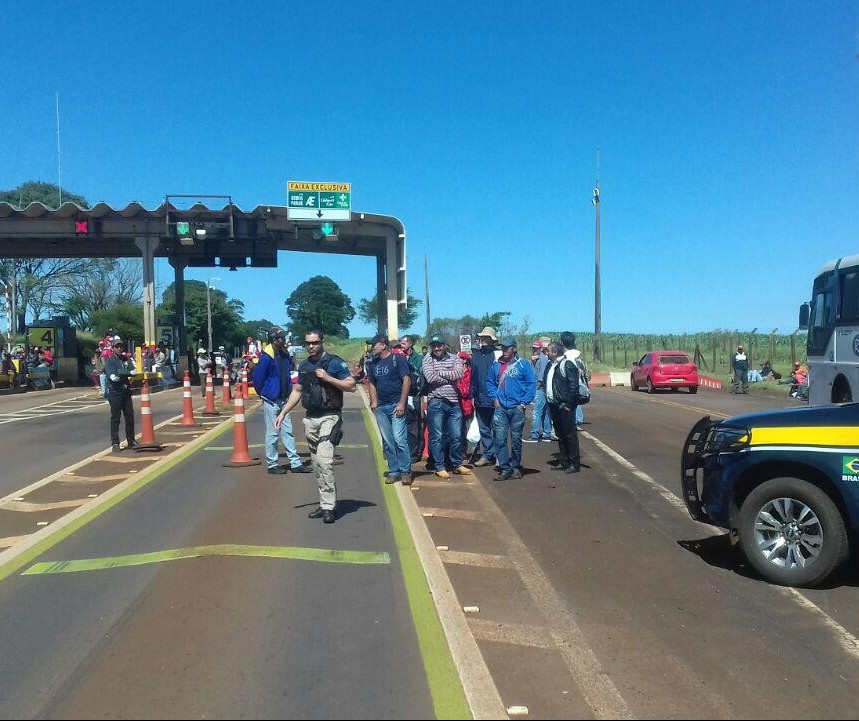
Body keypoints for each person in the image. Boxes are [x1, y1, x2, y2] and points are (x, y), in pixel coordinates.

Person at [275, 329, 356, 524]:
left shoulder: (335, 362)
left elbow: (351, 385)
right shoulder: (304, 365)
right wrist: (284, 412)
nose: (311, 346)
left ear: (322, 342)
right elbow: (297, 390)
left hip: (330, 417)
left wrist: (329, 378)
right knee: (317, 465)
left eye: (315, 342)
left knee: (325, 461)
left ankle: (329, 507)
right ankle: (325, 503)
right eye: (308, 343)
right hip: (311, 418)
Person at [253, 326, 311, 475]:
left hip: (284, 399)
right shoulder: (266, 356)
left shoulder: (284, 354)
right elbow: (257, 379)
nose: (284, 340)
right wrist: (265, 394)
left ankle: (295, 463)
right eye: (281, 338)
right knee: (272, 433)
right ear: (274, 340)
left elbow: (289, 371)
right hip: (272, 400)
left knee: (288, 431)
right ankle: (272, 464)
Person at [366, 333, 413, 486]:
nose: (372, 348)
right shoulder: (372, 364)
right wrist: (374, 401)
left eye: (374, 345)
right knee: (388, 441)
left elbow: (406, 380)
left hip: (395, 405)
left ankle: (405, 471)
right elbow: (372, 383)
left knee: (400, 439)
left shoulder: (397, 360)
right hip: (381, 407)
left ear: (383, 344)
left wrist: (401, 403)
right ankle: (393, 471)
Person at [487, 337, 536, 481]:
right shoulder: (496, 364)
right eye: (502, 347)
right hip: (501, 407)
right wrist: (495, 399)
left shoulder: (523, 364)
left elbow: (530, 384)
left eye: (507, 348)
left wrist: (523, 403)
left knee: (515, 439)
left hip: (517, 408)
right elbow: (490, 382)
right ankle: (504, 468)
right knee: (500, 439)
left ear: (514, 348)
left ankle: (515, 467)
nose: (504, 350)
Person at [421, 335, 471, 479]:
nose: (437, 348)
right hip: (436, 402)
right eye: (434, 345)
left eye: (439, 345)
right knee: (437, 436)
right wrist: (450, 376)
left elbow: (459, 373)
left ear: (444, 345)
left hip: (454, 402)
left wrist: (440, 373)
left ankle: (457, 464)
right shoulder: (428, 359)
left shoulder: (454, 358)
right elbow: (430, 377)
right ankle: (439, 466)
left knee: (456, 435)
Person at [544, 340, 582, 473]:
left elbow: (574, 387)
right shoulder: (551, 365)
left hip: (564, 405)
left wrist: (569, 405)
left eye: (548, 351)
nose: (546, 353)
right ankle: (564, 460)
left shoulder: (567, 364)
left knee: (569, 435)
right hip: (554, 405)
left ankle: (574, 463)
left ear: (555, 352)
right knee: (560, 434)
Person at [470, 326, 500, 467]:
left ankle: (500, 455)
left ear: (492, 340)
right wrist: (472, 394)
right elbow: (473, 376)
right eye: (482, 337)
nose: (483, 340)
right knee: (484, 428)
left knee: (497, 427)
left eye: (486, 338)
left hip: (494, 397)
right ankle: (488, 454)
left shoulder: (498, 355)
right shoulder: (475, 355)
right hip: (479, 397)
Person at [104, 337, 139, 452]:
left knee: (129, 416)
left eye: (120, 346)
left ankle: (131, 440)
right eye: (117, 346)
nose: (119, 348)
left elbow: (133, 370)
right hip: (115, 393)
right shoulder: (110, 361)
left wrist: (123, 372)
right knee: (115, 418)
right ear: (113, 348)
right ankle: (115, 443)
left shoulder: (125, 359)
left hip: (126, 392)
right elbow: (113, 377)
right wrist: (126, 372)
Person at [397, 334, 425, 463]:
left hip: (414, 395)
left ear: (410, 344)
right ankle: (404, 451)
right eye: (400, 343)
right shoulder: (397, 357)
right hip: (400, 395)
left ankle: (415, 453)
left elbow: (420, 374)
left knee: (414, 425)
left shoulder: (419, 358)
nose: (401, 345)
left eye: (403, 343)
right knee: (401, 425)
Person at [525, 340, 552, 442]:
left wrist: (535, 389)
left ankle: (535, 435)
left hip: (540, 389)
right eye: (533, 348)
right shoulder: (535, 359)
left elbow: (540, 377)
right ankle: (547, 434)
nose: (534, 350)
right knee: (544, 412)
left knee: (537, 412)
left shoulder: (543, 360)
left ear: (540, 349)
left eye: (536, 348)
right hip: (539, 388)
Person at [560, 331, 588, 428]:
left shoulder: (565, 359)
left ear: (562, 343)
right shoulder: (578, 358)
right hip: (577, 391)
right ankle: (577, 420)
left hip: (567, 395)